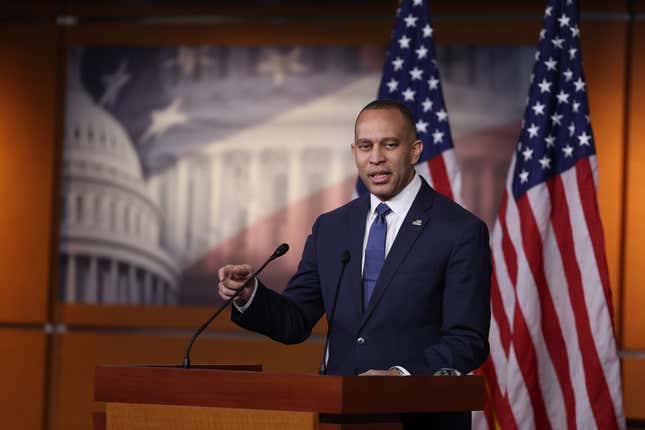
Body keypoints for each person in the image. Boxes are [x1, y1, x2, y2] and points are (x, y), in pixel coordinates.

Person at [218, 99, 491, 429]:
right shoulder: (331, 227)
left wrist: (399, 377)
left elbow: (467, 340)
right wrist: (250, 295)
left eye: (389, 144)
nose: (376, 157)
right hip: (339, 415)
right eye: (365, 146)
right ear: (355, 152)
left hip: (420, 419)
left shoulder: (459, 230)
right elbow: (295, 321)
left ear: (414, 151)